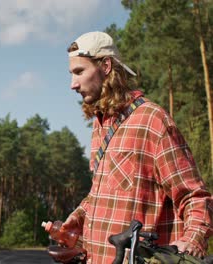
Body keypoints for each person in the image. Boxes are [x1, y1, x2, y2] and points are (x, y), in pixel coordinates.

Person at [61, 31, 213, 263]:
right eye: (71, 74)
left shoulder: (152, 121)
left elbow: (195, 197)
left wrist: (192, 242)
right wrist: (79, 217)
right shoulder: (99, 127)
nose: (73, 84)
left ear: (106, 66)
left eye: (79, 72)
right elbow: (106, 195)